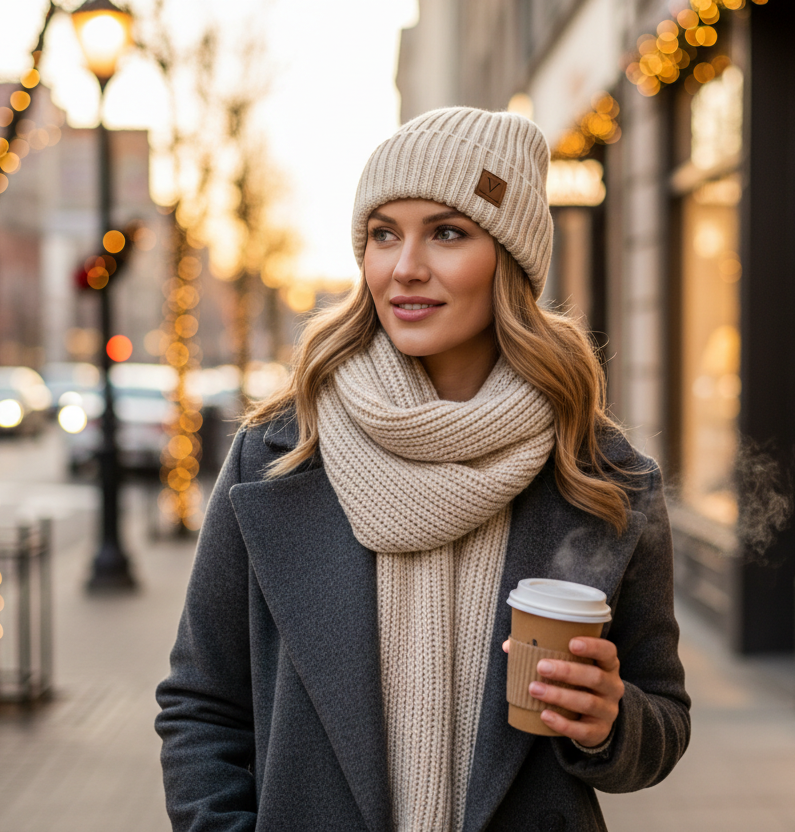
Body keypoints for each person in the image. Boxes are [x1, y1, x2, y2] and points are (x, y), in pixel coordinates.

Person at [155, 107, 690, 832]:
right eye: (383, 234)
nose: (405, 267)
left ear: (509, 257)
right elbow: (201, 704)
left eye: (446, 232)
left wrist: (608, 724)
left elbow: (662, 722)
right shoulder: (280, 454)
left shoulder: (601, 478)